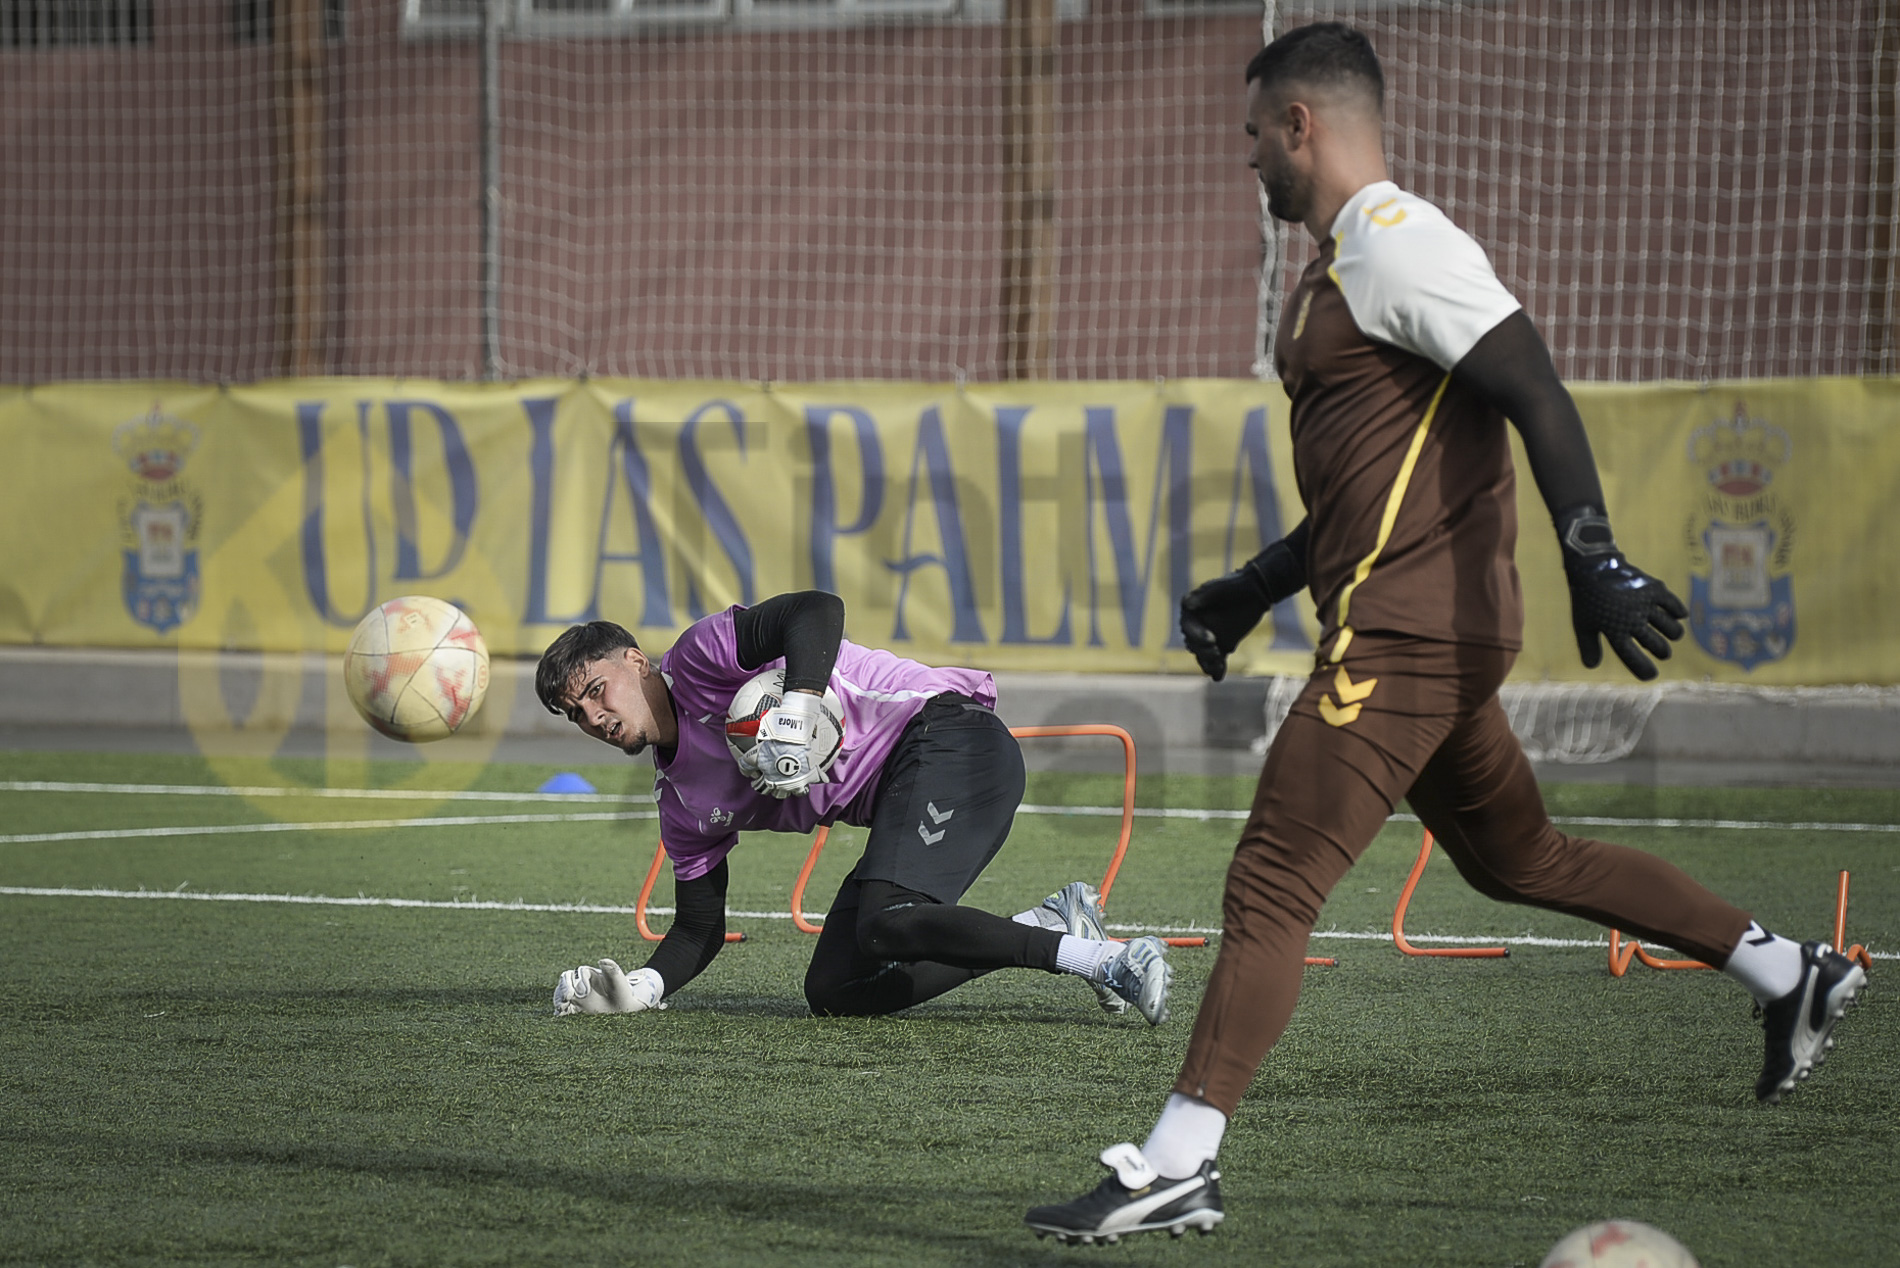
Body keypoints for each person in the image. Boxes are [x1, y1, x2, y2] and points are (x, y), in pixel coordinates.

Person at [1025, 23, 1867, 1244]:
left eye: (1255, 131)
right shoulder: (1339, 268)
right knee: (1520, 858)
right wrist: (1255, 584)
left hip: (1404, 637)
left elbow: (1533, 386)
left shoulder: (1396, 239)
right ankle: (1787, 969)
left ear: (1301, 125)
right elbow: (1365, 487)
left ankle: (1175, 1159)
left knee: (1272, 878)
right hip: (1421, 635)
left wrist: (1593, 556)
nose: (1247, 154)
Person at [534, 588, 1173, 1024]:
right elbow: (698, 929)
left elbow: (817, 609)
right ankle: (1056, 925)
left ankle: (1111, 961)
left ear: (637, 662)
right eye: (576, 713)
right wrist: (640, 989)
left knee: (886, 920)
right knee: (835, 988)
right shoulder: (678, 800)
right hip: (905, 792)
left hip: (951, 736)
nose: (593, 717)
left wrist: (800, 705)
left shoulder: (700, 657)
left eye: (597, 690)